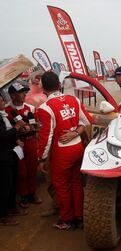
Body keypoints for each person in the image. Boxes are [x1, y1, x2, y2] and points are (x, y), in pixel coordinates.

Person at [37, 71, 92, 230]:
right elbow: (87, 120)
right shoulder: (73, 99)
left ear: (43, 89)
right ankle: (79, 217)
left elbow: (46, 138)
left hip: (61, 152)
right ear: (59, 85)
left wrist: (42, 159)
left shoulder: (45, 108)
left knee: (61, 186)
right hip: (78, 148)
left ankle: (67, 220)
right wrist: (75, 132)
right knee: (76, 183)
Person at [5, 82, 42, 208]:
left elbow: (37, 126)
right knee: (22, 171)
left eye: (24, 92)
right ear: (12, 95)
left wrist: (36, 129)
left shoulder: (31, 108)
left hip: (31, 141)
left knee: (32, 169)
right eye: (20, 92)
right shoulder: (6, 110)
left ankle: (32, 193)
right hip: (17, 144)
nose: (23, 95)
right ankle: (23, 195)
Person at [0, 94, 27, 226]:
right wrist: (16, 127)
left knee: (12, 183)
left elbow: (9, 131)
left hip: (11, 153)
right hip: (2, 157)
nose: (3, 102)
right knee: (4, 187)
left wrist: (16, 139)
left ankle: (11, 207)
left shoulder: (4, 115)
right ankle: (3, 216)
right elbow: (3, 136)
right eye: (0, 100)